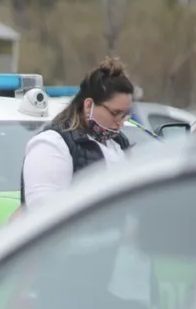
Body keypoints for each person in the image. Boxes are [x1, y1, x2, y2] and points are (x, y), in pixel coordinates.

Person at [20, 58, 135, 211]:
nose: (121, 123)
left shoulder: (119, 144)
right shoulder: (52, 144)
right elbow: (43, 212)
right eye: (115, 113)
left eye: (125, 115)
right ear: (88, 105)